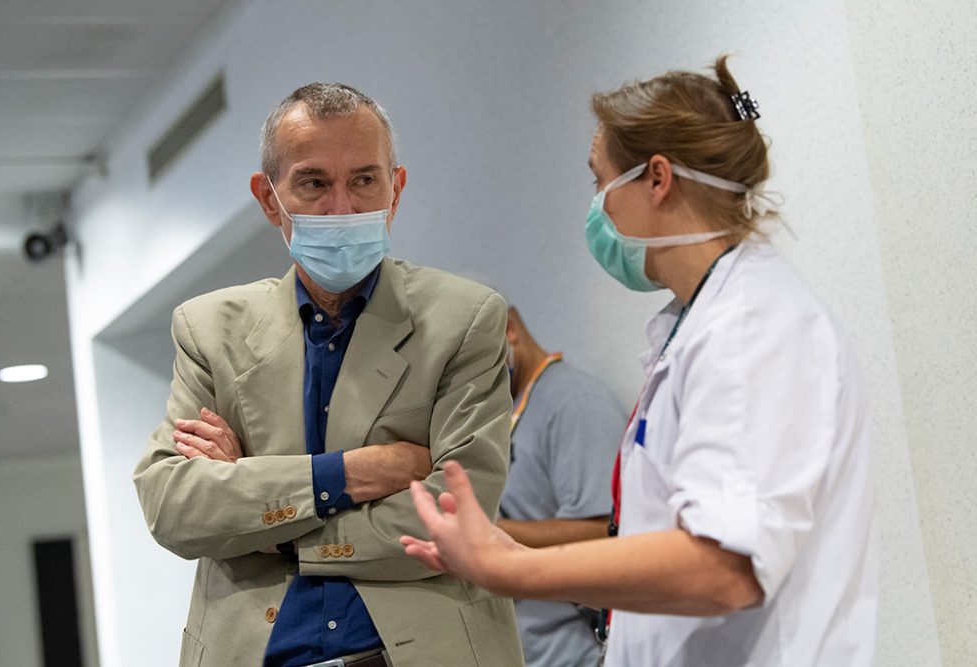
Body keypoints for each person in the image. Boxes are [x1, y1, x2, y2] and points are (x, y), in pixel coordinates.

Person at [401, 57, 877, 666]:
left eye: (600, 182)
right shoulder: (699, 324)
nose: (597, 209)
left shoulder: (750, 326)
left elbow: (722, 568)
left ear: (657, 179)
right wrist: (513, 557)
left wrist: (507, 568)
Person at [133, 83, 523, 667]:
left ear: (396, 190)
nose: (343, 207)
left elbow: (456, 518)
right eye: (314, 183)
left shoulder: (464, 320)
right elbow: (174, 508)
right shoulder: (208, 331)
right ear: (269, 199)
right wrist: (349, 474)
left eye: (365, 180)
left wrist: (265, 521)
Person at [498, 305, 624, 666]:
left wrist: (485, 536)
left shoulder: (575, 402)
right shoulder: (505, 408)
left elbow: (602, 534)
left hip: (571, 653)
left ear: (508, 329)